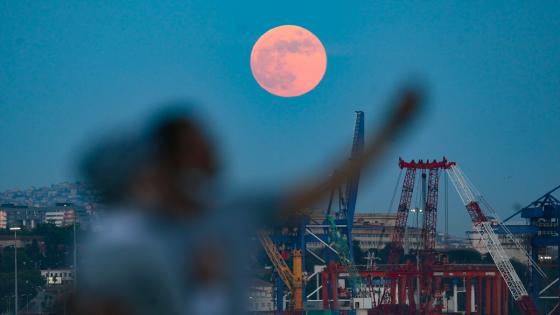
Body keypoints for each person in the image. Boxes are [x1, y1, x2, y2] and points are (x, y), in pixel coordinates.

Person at [74, 87, 422, 315]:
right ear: (174, 159)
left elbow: (324, 182)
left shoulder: (235, 214)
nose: (216, 145)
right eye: (202, 140)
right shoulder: (123, 244)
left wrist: (391, 128)